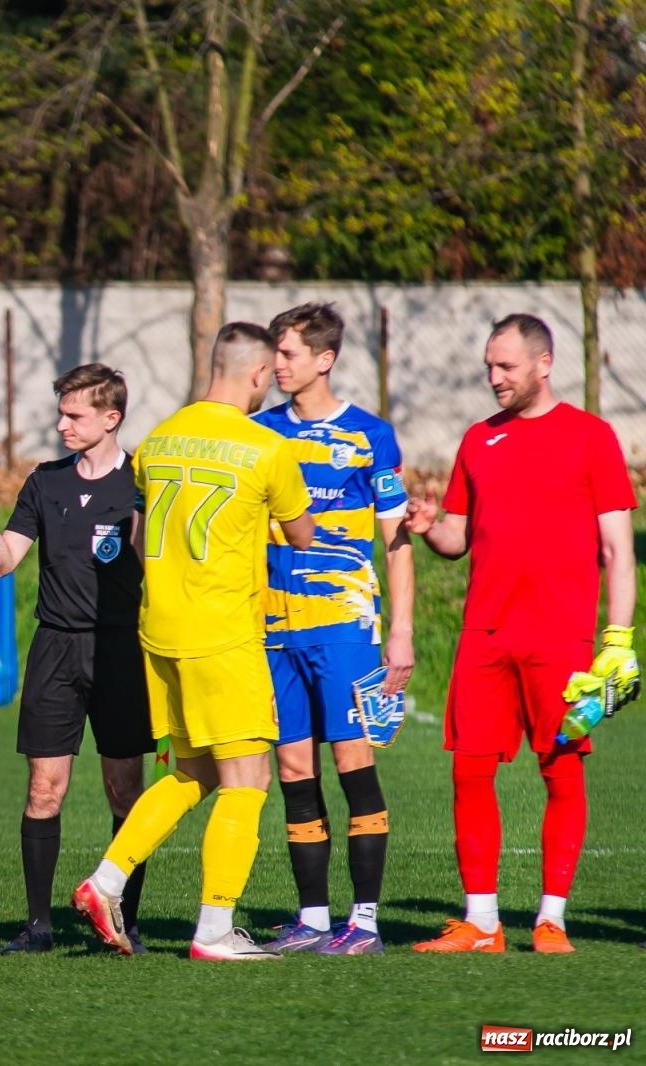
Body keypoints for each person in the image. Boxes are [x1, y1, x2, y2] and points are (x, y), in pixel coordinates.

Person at [71, 322, 314, 961]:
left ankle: (106, 881)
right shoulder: (266, 448)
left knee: (193, 772)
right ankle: (214, 929)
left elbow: (138, 537)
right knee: (248, 780)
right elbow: (303, 536)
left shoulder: (156, 440)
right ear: (258, 374)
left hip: (159, 630)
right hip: (223, 633)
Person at [409, 313, 638, 955]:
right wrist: (429, 525)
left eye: (506, 366)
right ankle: (482, 923)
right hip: (485, 635)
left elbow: (619, 551)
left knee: (561, 769)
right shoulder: (478, 439)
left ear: (544, 363)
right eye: (489, 365)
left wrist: (618, 640)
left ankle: (551, 920)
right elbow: (457, 537)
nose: (494, 377)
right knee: (469, 773)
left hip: (561, 639)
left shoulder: (591, 437)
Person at [0, 364, 155, 955]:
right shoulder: (45, 482)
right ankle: (38, 926)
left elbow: (155, 566)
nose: (62, 425)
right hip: (55, 649)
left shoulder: (142, 484)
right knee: (45, 788)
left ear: (111, 418)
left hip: (121, 650)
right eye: (61, 413)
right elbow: (3, 562)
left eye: (75, 415)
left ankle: (123, 920)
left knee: (125, 790)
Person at [251, 303, 414, 957]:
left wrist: (401, 631)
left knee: (352, 760)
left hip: (345, 626)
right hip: (274, 630)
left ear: (325, 359)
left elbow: (397, 542)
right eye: (275, 352)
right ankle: (313, 918)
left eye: (288, 353)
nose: (277, 364)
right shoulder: (259, 433)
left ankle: (365, 923)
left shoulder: (371, 435)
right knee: (293, 767)